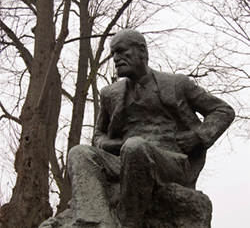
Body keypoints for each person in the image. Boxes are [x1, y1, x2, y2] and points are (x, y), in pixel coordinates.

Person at [68, 29, 235, 228]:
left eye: (121, 52)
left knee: (136, 146)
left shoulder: (176, 84)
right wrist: (107, 143)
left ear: (141, 51)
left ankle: (126, 222)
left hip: (172, 161)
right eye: (113, 54)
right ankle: (95, 220)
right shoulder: (110, 94)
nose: (116, 59)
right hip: (125, 158)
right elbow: (98, 134)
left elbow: (223, 110)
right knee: (79, 153)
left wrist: (198, 136)